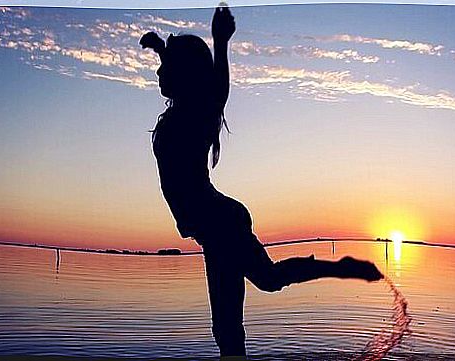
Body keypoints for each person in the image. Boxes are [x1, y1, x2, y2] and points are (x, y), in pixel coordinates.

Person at [140, 5, 384, 358]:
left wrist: (220, 42)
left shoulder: (197, 113)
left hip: (219, 223)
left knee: (234, 321)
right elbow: (189, 72)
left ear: (185, 74)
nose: (159, 72)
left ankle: (341, 267)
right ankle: (341, 267)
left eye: (166, 67)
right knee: (254, 296)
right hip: (212, 227)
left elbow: (214, 87)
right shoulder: (182, 110)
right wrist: (162, 48)